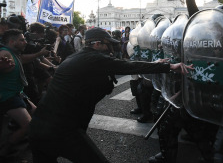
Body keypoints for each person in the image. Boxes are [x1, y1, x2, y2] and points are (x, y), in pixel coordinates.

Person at [29, 27, 193, 163]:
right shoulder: (93, 59)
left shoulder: (78, 57)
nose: (111, 49)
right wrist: (170, 67)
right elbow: (128, 67)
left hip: (40, 126)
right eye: (108, 45)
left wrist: (153, 64)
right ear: (97, 44)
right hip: (61, 129)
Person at [0, 29, 36, 158]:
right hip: (7, 96)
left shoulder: (14, 53)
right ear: (12, 41)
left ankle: (15, 129)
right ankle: (6, 148)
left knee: (36, 113)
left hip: (17, 93)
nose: (25, 42)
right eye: (22, 40)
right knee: (28, 125)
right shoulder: (5, 53)